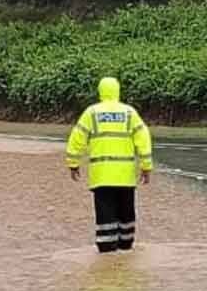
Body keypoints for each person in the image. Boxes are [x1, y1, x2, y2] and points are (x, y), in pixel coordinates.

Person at [65, 77, 153, 253]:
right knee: (126, 212)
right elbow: (143, 139)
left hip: (102, 175)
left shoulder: (92, 113)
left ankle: (107, 249)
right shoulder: (129, 113)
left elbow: (77, 138)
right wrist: (146, 166)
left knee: (105, 213)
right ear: (118, 91)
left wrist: (73, 163)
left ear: (100, 92)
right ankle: (126, 247)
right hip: (125, 175)